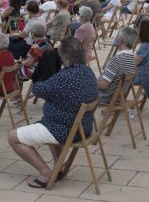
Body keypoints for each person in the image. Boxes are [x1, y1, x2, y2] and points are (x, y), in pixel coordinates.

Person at [8, 37, 99, 189]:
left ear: (63, 55)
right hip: (84, 126)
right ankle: (59, 166)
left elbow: (38, 90)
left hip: (65, 128)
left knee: (13, 137)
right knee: (46, 124)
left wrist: (42, 67)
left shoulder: (64, 77)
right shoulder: (87, 71)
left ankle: (45, 173)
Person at [98, 26, 138, 104]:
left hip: (105, 97)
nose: (116, 38)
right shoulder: (134, 58)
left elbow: (103, 85)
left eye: (117, 35)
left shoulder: (117, 59)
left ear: (121, 40)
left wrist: (90, 82)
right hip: (119, 97)